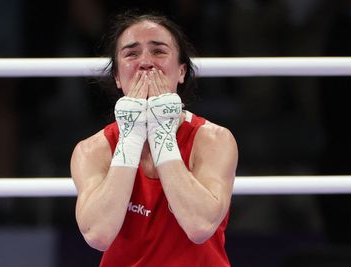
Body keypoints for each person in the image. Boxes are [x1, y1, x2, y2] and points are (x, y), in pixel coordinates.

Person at [70, 10, 238, 267]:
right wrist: (130, 137)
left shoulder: (213, 140)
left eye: (158, 51)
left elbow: (200, 225)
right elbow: (98, 235)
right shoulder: (92, 150)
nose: (145, 62)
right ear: (116, 76)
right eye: (131, 53)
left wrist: (162, 133)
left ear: (182, 71)